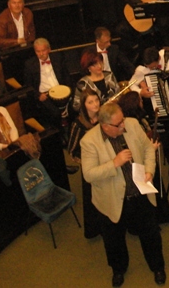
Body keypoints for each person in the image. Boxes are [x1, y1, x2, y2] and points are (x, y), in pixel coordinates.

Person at [80, 103, 167, 287]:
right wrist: (114, 163)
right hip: (111, 200)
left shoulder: (132, 124)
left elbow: (148, 149)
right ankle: (118, 270)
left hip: (140, 194)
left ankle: (157, 267)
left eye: (123, 120)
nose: (123, 125)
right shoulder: (89, 141)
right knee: (114, 240)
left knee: (151, 234)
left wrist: (149, 171)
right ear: (105, 126)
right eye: (118, 124)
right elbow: (88, 174)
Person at [116, 91, 169, 226]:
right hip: (140, 163)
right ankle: (154, 220)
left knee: (157, 188)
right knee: (147, 193)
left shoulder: (141, 119)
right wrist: (152, 148)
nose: (142, 102)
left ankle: (164, 216)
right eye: (140, 100)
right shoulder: (130, 124)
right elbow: (135, 147)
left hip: (149, 160)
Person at [66, 90, 103, 239]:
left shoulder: (103, 117)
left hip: (106, 163)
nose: (95, 104)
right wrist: (88, 162)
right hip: (91, 167)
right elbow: (72, 150)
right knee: (92, 199)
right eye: (90, 102)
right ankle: (95, 229)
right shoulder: (78, 124)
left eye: (96, 100)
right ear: (84, 105)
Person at [23, 38, 72, 125]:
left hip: (61, 90)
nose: (41, 54)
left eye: (43, 50)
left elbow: (66, 76)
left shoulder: (58, 58)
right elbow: (28, 85)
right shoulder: (29, 64)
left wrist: (68, 89)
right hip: (45, 95)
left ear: (49, 49)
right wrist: (38, 95)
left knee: (74, 106)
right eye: (38, 51)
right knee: (55, 113)